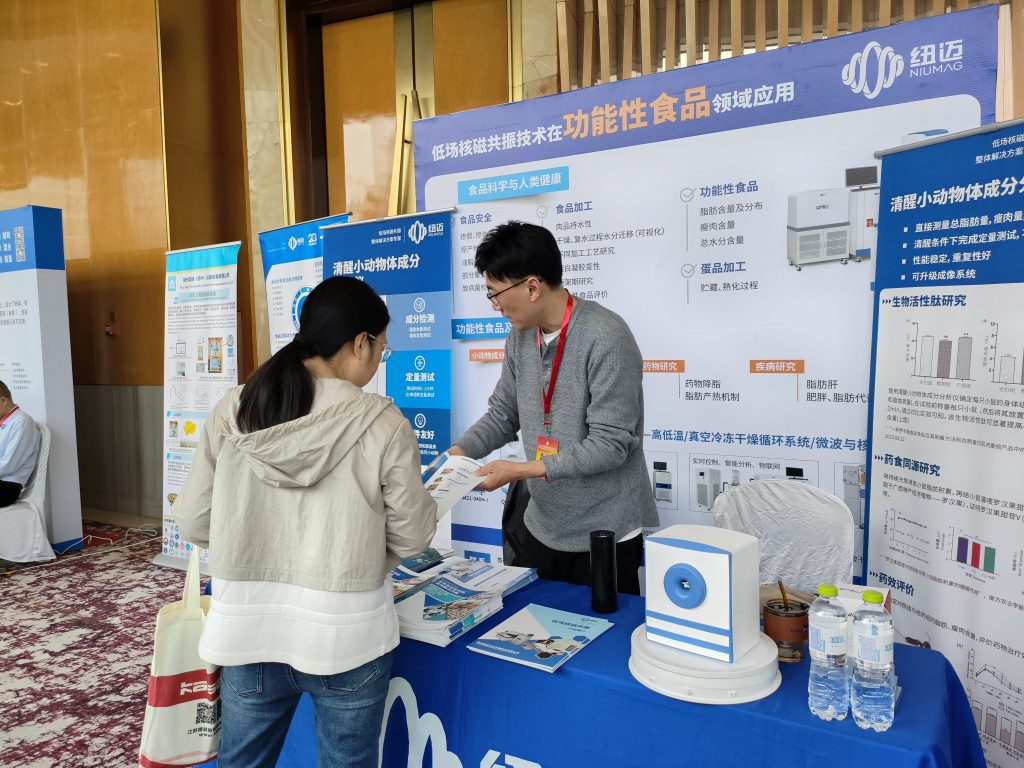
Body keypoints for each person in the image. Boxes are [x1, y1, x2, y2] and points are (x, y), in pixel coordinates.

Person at [174, 276, 438, 768]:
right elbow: (412, 536)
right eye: (383, 348)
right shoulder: (383, 424)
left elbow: (194, 521)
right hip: (349, 635)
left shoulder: (235, 409)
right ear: (360, 343)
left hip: (246, 630)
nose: (380, 358)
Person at [448, 221, 658, 595]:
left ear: (532, 287)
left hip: (603, 532)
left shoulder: (606, 336)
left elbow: (610, 445)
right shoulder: (520, 336)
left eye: (497, 294)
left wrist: (521, 470)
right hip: (542, 526)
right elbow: (503, 414)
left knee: (602, 629)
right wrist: (456, 456)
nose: (496, 306)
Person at [0, 380, 41, 508]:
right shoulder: (5, 421)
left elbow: (9, 465)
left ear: (3, 401)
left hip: (7, 487)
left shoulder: (22, 422)